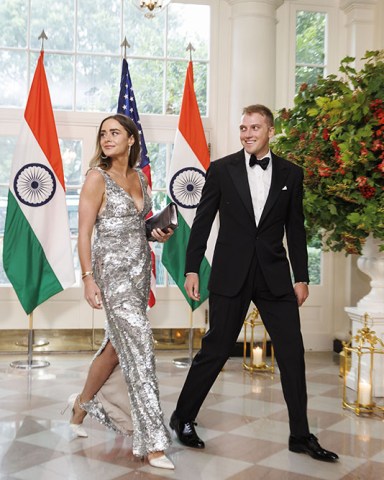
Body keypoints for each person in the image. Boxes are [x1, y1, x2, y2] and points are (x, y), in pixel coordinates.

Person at [170, 104, 339, 463]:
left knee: (292, 354)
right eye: (243, 127)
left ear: (270, 131)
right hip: (231, 274)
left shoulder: (292, 174)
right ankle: (182, 417)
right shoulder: (220, 170)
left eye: (255, 127)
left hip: (274, 277)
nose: (247, 133)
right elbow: (202, 223)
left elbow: (295, 228)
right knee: (215, 349)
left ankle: (300, 435)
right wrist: (192, 269)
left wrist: (302, 276)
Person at [63, 114, 174, 470]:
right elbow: (84, 234)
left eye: (115, 133)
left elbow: (134, 227)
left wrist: (155, 233)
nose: (107, 138)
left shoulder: (140, 177)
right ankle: (154, 442)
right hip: (110, 274)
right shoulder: (97, 178)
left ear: (131, 139)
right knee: (141, 344)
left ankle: (81, 405)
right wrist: (87, 278)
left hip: (139, 271)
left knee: (114, 350)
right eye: (103, 134)